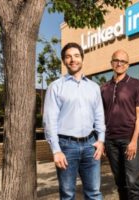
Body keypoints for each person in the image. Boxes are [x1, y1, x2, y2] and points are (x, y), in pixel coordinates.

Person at [43, 42, 105, 200]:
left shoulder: (94, 87)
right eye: (68, 57)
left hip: (91, 145)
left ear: (82, 59)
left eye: (76, 56)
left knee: (94, 193)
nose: (73, 60)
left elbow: (99, 115)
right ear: (64, 61)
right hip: (66, 147)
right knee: (68, 194)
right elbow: (49, 121)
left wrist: (101, 140)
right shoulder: (55, 87)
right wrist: (56, 150)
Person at [101, 50, 139, 200]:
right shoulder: (104, 88)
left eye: (123, 61)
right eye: (116, 60)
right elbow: (100, 117)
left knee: (132, 181)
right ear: (111, 63)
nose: (119, 63)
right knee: (119, 182)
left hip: (129, 140)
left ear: (128, 65)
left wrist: (134, 140)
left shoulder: (136, 84)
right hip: (110, 141)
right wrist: (103, 142)